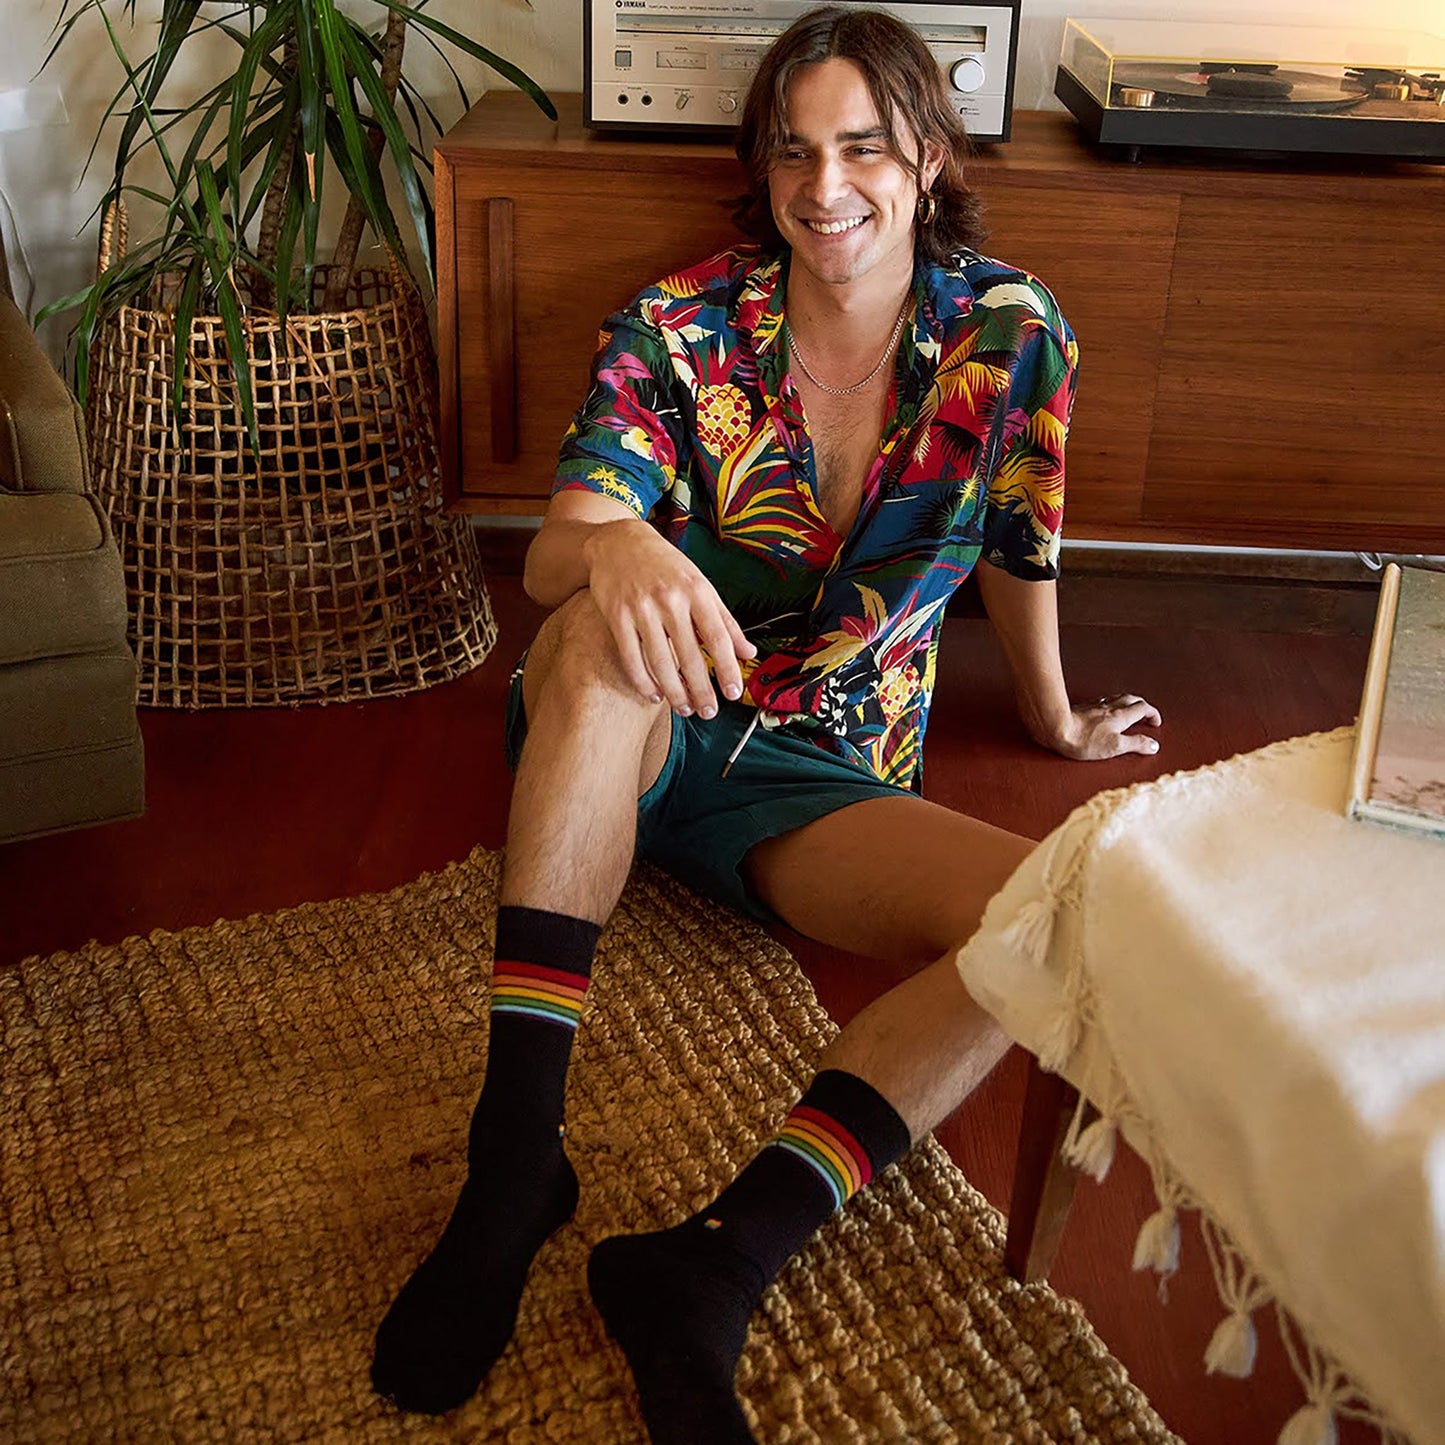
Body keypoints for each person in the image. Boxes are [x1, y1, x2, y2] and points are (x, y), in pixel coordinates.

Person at [370, 5, 1161, 1440]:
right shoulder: (677, 326)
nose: (824, 184)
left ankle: (714, 1260)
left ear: (924, 152)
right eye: (792, 150)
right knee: (595, 632)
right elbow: (559, 549)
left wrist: (1050, 722)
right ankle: (513, 1158)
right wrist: (616, 550)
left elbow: (1020, 541)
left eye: (862, 145)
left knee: (1053, 915)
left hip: (822, 777)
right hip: (621, 729)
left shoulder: (1010, 336)